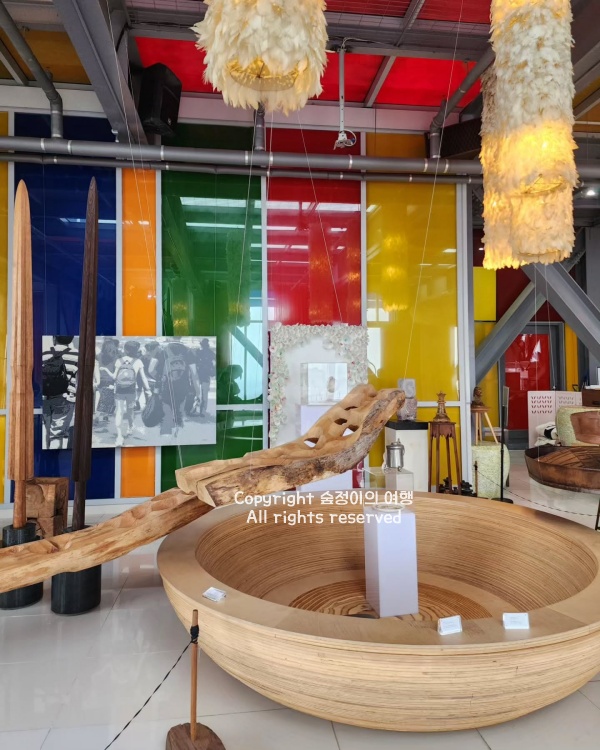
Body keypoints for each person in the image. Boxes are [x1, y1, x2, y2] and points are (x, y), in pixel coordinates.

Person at [148, 338, 197, 438]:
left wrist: (160, 378)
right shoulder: (188, 351)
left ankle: (166, 439)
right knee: (179, 414)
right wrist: (198, 392)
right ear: (181, 337)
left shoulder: (161, 351)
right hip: (183, 389)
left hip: (166, 388)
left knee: (166, 415)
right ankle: (179, 438)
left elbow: (151, 370)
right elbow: (194, 374)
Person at [111, 340, 152, 446]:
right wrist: (148, 390)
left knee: (119, 412)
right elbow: (143, 378)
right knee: (130, 411)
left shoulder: (119, 361)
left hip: (119, 390)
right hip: (131, 390)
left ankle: (119, 437)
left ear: (125, 349)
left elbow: (114, 377)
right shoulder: (138, 362)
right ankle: (130, 426)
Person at [41, 336, 79, 449]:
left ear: (54, 338)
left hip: (45, 397)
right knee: (56, 435)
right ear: (71, 339)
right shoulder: (77, 355)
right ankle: (54, 458)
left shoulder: (44, 353)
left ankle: (48, 457)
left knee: (47, 431)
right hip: (65, 399)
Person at [93, 337, 119, 423]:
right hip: (110, 380)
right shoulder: (115, 357)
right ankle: (105, 416)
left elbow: (95, 367)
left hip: (100, 379)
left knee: (98, 397)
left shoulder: (98, 356)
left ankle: (96, 415)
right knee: (108, 398)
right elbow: (116, 371)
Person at [194, 338, 216, 416]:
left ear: (201, 345)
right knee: (204, 394)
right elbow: (214, 364)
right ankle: (202, 411)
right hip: (206, 376)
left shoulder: (197, 352)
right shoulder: (211, 353)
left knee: (196, 393)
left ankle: (195, 409)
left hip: (197, 376)